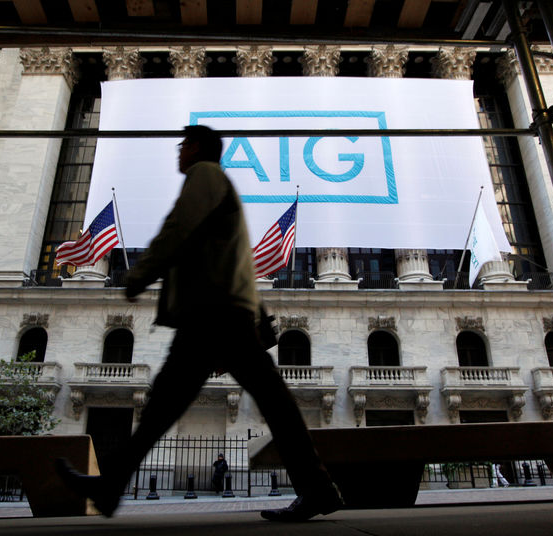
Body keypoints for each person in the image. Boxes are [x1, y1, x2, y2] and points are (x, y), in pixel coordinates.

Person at [56, 125, 342, 522]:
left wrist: (140, 274)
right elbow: (235, 258)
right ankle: (319, 489)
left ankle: (110, 486)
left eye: (183, 144)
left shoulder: (204, 176)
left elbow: (177, 230)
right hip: (225, 312)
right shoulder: (218, 184)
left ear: (196, 148)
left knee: (169, 403)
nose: (179, 152)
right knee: (263, 403)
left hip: (212, 313)